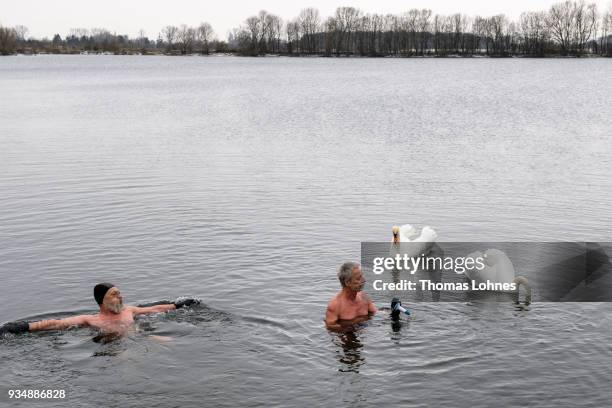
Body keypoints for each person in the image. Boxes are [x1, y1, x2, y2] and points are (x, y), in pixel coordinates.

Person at [0, 283, 199, 336]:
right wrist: (20, 327)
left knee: (167, 340)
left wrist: (178, 304)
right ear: (101, 301)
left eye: (119, 292)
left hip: (139, 336)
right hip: (109, 343)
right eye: (114, 294)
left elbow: (155, 308)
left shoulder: (129, 311)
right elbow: (56, 323)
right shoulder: (90, 320)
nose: (119, 297)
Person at [325, 262, 377, 331]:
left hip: (363, 333)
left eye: (362, 277)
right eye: (358, 279)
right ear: (347, 282)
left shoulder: (364, 297)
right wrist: (351, 327)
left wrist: (393, 312)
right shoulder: (335, 305)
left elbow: (375, 313)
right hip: (345, 336)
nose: (364, 280)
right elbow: (329, 326)